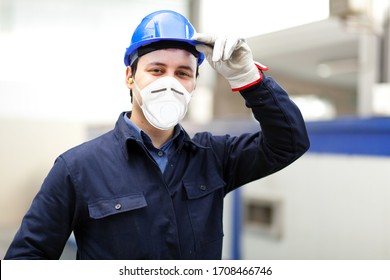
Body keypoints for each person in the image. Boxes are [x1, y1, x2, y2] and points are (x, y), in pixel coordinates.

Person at [4, 10, 310, 260]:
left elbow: (290, 142)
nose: (170, 83)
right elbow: (27, 259)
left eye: (182, 73)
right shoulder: (78, 168)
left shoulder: (214, 157)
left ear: (193, 84)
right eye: (156, 69)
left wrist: (250, 80)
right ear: (130, 77)